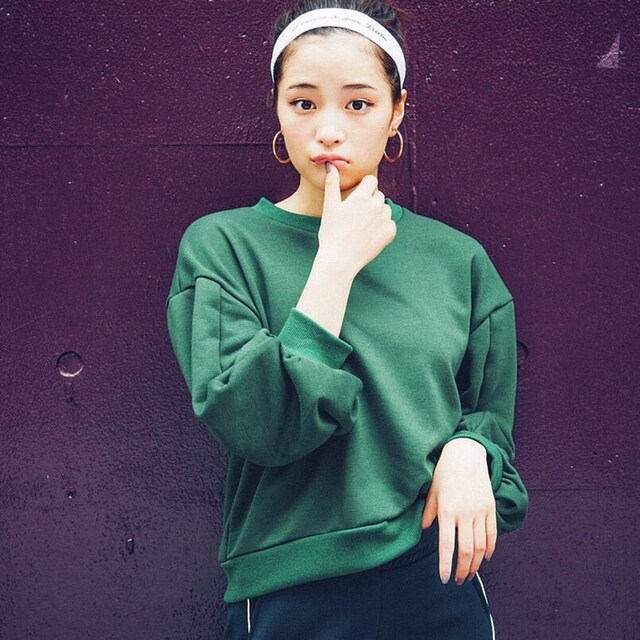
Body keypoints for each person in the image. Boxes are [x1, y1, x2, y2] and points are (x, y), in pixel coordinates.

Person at [165, 1, 528, 638]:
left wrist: (472, 448)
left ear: (397, 113)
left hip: (435, 582)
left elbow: (489, 414)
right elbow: (258, 424)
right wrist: (333, 265)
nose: (328, 130)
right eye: (304, 103)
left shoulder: (458, 260)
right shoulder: (222, 247)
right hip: (290, 588)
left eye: (358, 103)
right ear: (277, 110)